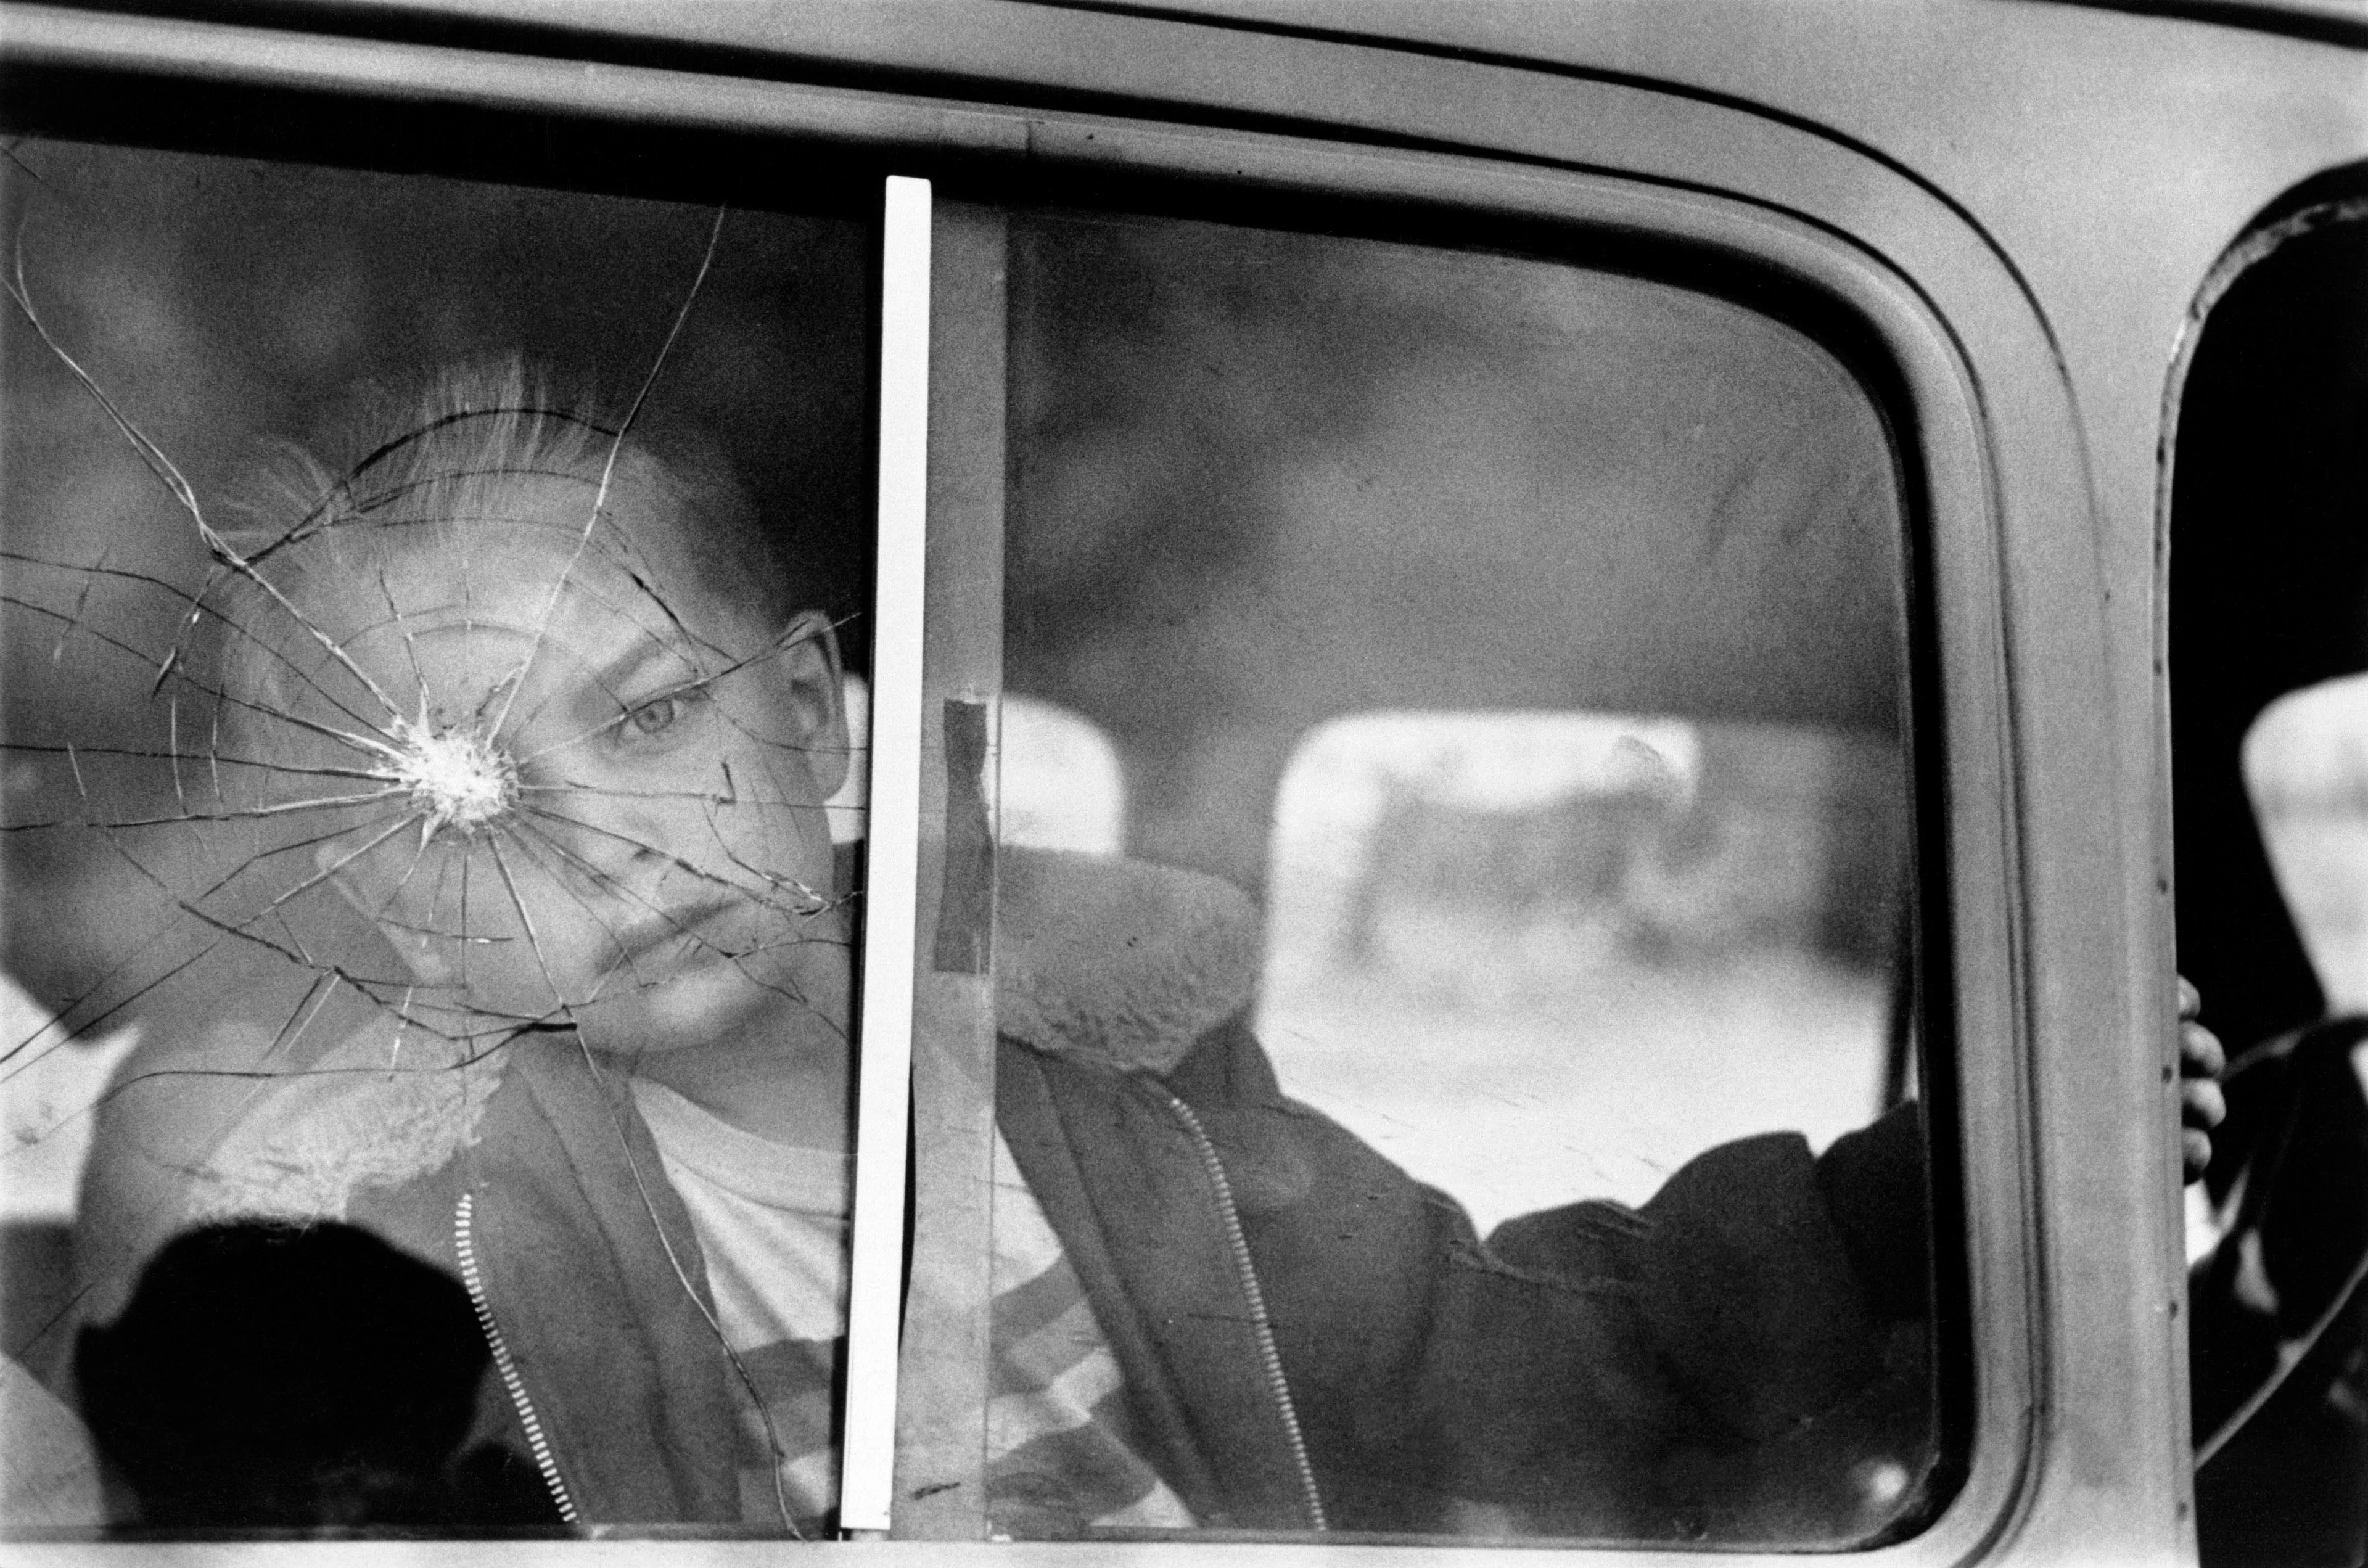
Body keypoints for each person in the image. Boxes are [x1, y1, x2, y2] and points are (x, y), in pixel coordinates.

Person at [65, 364, 2226, 1541]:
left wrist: (1936, 1204)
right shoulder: (429, 1254)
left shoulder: (1136, 1124)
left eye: (648, 714)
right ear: (408, 896)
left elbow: (1540, 1348)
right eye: (470, 797)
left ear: (812, 722)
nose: (617, 842)